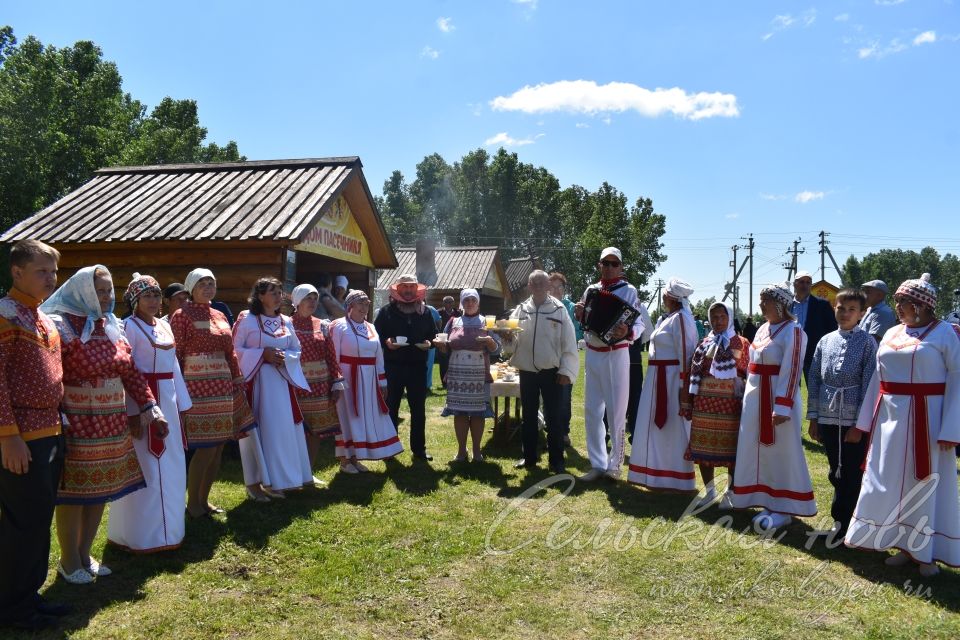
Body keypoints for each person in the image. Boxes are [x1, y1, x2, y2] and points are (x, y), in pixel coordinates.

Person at [42, 266, 166, 583]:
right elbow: (50, 375)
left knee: (100, 489)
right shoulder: (59, 324)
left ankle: (85, 553)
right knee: (73, 493)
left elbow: (130, 372)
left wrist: (149, 404)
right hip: (78, 420)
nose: (106, 296)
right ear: (82, 291)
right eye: (99, 290)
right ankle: (69, 561)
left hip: (111, 419)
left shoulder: (112, 325)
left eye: (109, 290)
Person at [844, 274, 960, 576]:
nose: (897, 306)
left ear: (921, 305)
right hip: (890, 420)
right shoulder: (893, 332)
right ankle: (901, 543)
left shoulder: (946, 333)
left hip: (928, 422)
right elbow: (877, 380)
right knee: (891, 479)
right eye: (896, 301)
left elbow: (959, 381)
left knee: (924, 483)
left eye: (903, 302)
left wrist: (951, 428)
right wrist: (863, 423)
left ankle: (926, 553)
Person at [0, 240, 68, 630]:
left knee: (38, 520)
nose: (51, 278)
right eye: (42, 271)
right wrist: (8, 436)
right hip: (21, 438)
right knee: (21, 523)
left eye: (53, 271)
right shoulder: (5, 314)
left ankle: (29, 596)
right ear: (16, 272)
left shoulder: (42, 317)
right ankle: (11, 608)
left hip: (50, 431)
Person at [108, 273, 191, 552]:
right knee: (144, 466)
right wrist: (132, 413)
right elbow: (125, 372)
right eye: (147, 296)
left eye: (156, 295)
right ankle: (139, 535)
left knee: (172, 464)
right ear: (134, 300)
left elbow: (174, 366)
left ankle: (171, 533)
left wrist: (183, 406)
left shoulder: (166, 327)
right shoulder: (127, 327)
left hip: (167, 397)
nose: (154, 301)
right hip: (141, 401)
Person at [730, 283, 816, 531]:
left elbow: (792, 371)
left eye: (764, 300)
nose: (760, 304)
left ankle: (783, 507)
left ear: (780, 303)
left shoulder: (794, 331)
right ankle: (766, 500)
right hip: (755, 398)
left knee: (781, 450)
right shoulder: (762, 330)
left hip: (777, 400)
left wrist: (783, 406)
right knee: (758, 449)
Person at [170, 268, 254, 518]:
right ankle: (192, 504)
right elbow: (177, 353)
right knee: (205, 446)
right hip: (196, 387)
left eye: (211, 283)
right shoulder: (180, 315)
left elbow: (230, 351)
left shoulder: (219, 314)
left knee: (217, 446)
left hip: (222, 386)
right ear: (191, 287)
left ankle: (203, 501)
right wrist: (179, 388)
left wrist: (237, 378)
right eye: (202, 283)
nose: (208, 287)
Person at [234, 278, 314, 500]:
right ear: (260, 296)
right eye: (273, 292)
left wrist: (283, 357)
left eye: (280, 292)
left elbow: (296, 349)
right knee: (260, 431)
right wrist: (262, 354)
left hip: (281, 384)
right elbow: (235, 349)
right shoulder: (246, 319)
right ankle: (254, 483)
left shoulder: (286, 321)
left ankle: (282, 479)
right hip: (257, 383)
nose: (279, 296)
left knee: (282, 430)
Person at [806, 289, 877, 540]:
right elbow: (814, 378)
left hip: (853, 420)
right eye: (840, 308)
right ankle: (840, 522)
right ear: (833, 309)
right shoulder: (825, 341)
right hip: (827, 416)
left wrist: (860, 425)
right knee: (834, 470)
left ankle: (853, 525)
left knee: (851, 472)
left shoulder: (867, 342)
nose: (845, 313)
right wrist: (814, 417)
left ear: (861, 313)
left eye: (851, 310)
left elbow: (870, 385)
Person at [574, 247, 646, 481]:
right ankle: (597, 463)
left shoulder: (629, 291)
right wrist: (580, 313)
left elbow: (640, 324)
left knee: (616, 411)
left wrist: (628, 331)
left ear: (621, 267)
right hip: (593, 352)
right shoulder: (591, 289)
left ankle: (615, 464)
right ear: (599, 265)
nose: (610, 267)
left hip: (616, 352)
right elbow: (585, 316)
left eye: (614, 264)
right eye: (606, 263)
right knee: (592, 410)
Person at [627, 278, 698, 492]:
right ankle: (654, 473)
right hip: (657, 377)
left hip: (671, 379)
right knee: (656, 427)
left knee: (672, 428)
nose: (664, 297)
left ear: (671, 297)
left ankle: (676, 477)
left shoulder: (682, 319)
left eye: (666, 294)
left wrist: (684, 388)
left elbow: (687, 353)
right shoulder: (666, 318)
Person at [506, 270, 579, 473]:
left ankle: (557, 462)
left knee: (554, 418)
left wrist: (566, 370)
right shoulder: (520, 310)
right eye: (534, 282)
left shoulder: (559, 309)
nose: (538, 286)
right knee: (528, 417)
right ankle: (529, 458)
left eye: (541, 282)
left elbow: (569, 343)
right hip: (527, 371)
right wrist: (506, 339)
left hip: (552, 372)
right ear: (529, 286)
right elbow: (511, 343)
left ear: (548, 285)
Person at [328, 290, 404, 470]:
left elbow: (378, 356)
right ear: (350, 306)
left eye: (367, 303)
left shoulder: (371, 327)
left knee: (362, 417)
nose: (365, 307)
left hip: (369, 380)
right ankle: (344, 460)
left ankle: (356, 457)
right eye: (361, 303)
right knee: (347, 416)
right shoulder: (338, 326)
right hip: (347, 378)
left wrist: (382, 381)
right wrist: (336, 381)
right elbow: (333, 356)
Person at [685, 301, 751, 508]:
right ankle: (709, 490)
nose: (718, 321)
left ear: (730, 318)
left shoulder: (742, 343)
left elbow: (749, 371)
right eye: (714, 317)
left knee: (732, 449)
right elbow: (693, 372)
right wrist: (689, 402)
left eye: (722, 316)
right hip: (705, 403)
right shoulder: (704, 343)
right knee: (703, 447)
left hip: (732, 405)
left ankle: (730, 492)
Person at [374, 274, 437, 461]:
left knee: (418, 410)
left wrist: (429, 343)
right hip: (393, 367)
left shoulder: (425, 312)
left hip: (417, 367)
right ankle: (390, 449)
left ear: (416, 290)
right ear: (398, 289)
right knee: (391, 408)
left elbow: (433, 336)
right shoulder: (386, 311)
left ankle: (419, 450)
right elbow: (376, 337)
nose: (408, 291)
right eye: (404, 287)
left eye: (411, 287)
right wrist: (387, 343)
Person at [436, 289, 500, 463]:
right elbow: (446, 346)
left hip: (479, 372)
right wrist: (442, 347)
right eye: (466, 300)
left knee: (478, 413)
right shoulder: (453, 321)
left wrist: (490, 342)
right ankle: (461, 451)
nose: (470, 303)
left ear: (478, 302)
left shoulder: (486, 322)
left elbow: (497, 349)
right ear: (461, 303)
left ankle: (477, 451)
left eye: (473, 300)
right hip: (457, 371)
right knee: (460, 413)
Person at [290, 284, 344, 473]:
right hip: (297, 384)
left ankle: (308, 472)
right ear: (297, 301)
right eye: (307, 298)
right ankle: (293, 472)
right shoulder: (286, 324)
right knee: (296, 430)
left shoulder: (322, 325)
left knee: (315, 432)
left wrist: (337, 382)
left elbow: (331, 355)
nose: (312, 302)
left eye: (315, 298)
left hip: (320, 386)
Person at [548, 272, 581, 448]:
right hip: (546, 359)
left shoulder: (571, 307)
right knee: (547, 398)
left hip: (566, 359)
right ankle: (551, 432)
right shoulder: (544, 305)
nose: (555, 291)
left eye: (559, 287)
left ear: (564, 289)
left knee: (564, 398)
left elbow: (578, 333)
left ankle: (564, 433)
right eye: (551, 287)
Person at [790, 270, 837, 381]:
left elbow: (832, 330)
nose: (805, 285)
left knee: (814, 391)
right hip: (791, 354)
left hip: (814, 355)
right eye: (801, 282)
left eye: (808, 282)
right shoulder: (787, 305)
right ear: (794, 284)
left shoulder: (822, 304)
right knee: (790, 391)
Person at [859, 279, 897, 344]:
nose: (864, 295)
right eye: (864, 291)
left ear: (879, 296)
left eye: (867, 292)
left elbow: (872, 342)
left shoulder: (883, 313)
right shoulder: (871, 309)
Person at [437, 295, 460, 388]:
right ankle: (444, 383)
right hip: (442, 341)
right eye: (446, 302)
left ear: (453, 303)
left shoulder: (458, 313)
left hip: (454, 341)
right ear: (443, 303)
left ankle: (454, 381)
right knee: (443, 362)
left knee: (454, 361)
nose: (449, 304)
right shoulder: (439, 312)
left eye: (450, 302)